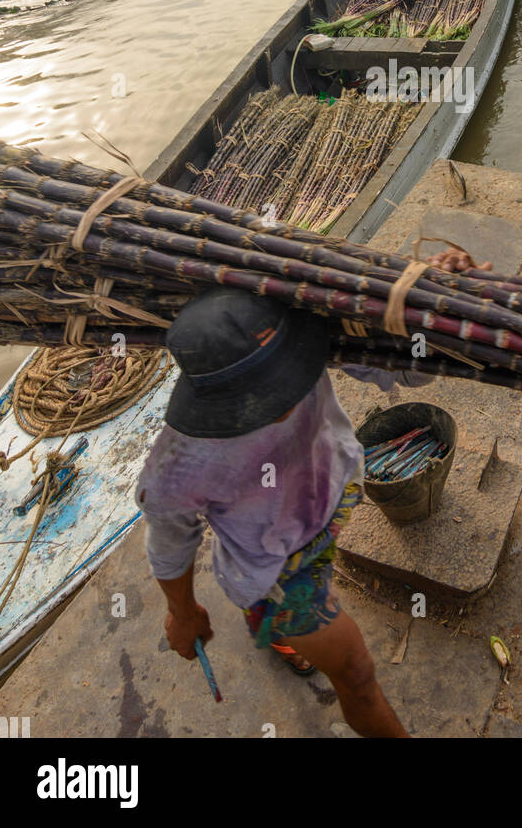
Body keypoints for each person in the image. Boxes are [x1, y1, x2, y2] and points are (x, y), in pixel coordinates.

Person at [136, 286, 438, 738]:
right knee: (355, 674)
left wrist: (431, 307)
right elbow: (169, 546)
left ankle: (275, 628)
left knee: (323, 569)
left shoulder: (302, 344)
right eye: (266, 394)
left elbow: (412, 372)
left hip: (335, 494)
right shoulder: (176, 467)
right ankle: (272, 620)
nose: (289, 395)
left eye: (289, 375)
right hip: (277, 570)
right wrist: (183, 613)